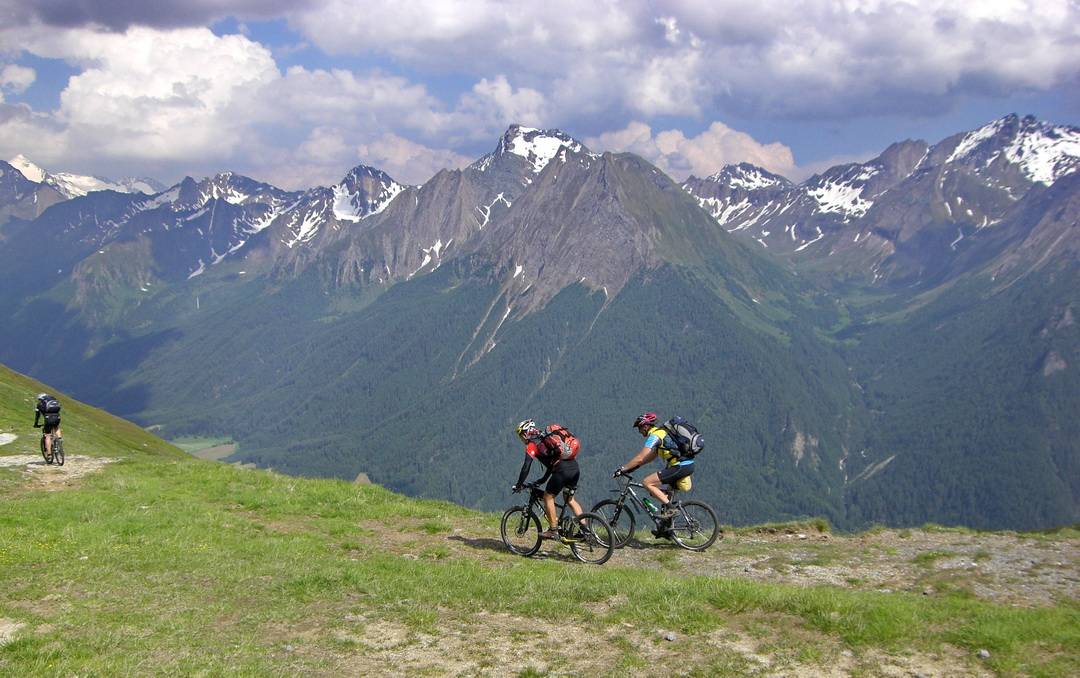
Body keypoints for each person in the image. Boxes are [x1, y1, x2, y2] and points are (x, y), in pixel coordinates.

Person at [511, 419, 584, 540]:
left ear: (524, 434)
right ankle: (584, 530)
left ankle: (553, 530)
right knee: (570, 499)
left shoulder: (532, 445)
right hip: (574, 467)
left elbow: (526, 467)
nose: (521, 440)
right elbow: (551, 465)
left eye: (520, 436)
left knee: (548, 497)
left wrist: (519, 484)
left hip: (562, 470)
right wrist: (543, 480)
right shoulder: (546, 439)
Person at [613, 412, 693, 518]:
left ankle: (672, 509)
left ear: (646, 426)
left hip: (680, 466)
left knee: (647, 483)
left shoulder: (655, 436)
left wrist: (623, 469)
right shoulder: (662, 433)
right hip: (685, 465)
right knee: (660, 493)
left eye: (639, 428)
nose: (639, 431)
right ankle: (665, 529)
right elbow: (649, 458)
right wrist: (633, 468)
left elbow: (640, 457)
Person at [33, 393, 63, 461]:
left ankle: (49, 454)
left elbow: (37, 416)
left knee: (47, 435)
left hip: (48, 419)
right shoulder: (53, 399)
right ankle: (59, 439)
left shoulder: (39, 405)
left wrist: (36, 424)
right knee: (56, 427)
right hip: (57, 417)